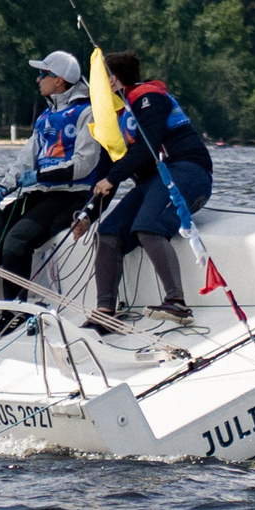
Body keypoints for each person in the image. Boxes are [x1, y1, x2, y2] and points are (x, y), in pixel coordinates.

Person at [0, 50, 109, 332]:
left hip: (69, 194)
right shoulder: (45, 117)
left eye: (43, 74)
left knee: (17, 241)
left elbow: (84, 164)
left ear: (60, 81)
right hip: (38, 193)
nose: (38, 79)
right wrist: (3, 186)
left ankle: (16, 309)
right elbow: (25, 158)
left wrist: (41, 175)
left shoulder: (87, 113)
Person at [82, 50, 211, 331]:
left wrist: (113, 177)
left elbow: (147, 147)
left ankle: (176, 302)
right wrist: (88, 214)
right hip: (156, 182)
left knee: (148, 225)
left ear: (112, 81)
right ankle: (106, 311)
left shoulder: (149, 97)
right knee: (109, 231)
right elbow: (108, 170)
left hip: (189, 172)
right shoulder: (114, 116)